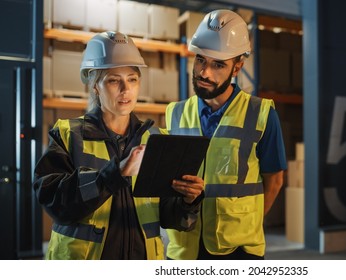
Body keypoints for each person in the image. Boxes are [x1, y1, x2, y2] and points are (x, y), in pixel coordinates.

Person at [33, 31, 204, 260]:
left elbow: (169, 216)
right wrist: (115, 173)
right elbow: (55, 202)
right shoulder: (68, 135)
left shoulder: (154, 139)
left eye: (132, 79)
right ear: (95, 85)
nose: (125, 90)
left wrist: (188, 201)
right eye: (114, 80)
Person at [164, 9, 287, 260]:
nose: (205, 73)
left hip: (238, 251)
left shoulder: (261, 114)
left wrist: (247, 224)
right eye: (200, 60)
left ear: (237, 67)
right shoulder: (174, 113)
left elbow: (274, 181)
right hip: (184, 249)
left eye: (218, 64)